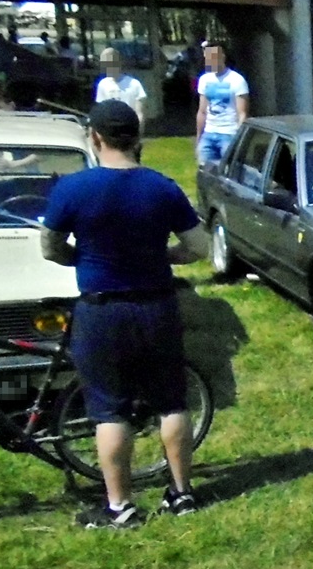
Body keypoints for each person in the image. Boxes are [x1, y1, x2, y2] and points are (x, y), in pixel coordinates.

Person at [39, 101, 211, 528]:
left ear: (94, 138)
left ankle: (120, 506)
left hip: (102, 309)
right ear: (139, 139)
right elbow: (197, 247)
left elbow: (50, 247)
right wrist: (164, 253)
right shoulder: (163, 187)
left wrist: (78, 258)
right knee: (171, 400)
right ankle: (182, 494)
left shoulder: (72, 190)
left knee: (109, 408)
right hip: (156, 305)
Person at [195, 41, 249, 166]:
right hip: (209, 133)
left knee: (230, 172)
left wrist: (238, 138)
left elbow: (242, 114)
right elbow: (202, 111)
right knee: (205, 172)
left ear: (222, 56)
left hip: (229, 134)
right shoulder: (204, 80)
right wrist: (199, 137)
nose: (210, 60)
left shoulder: (237, 80)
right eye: (207, 58)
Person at [94, 46, 148, 135]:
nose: (109, 66)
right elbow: (101, 111)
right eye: (106, 63)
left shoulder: (134, 84)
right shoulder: (102, 85)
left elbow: (140, 113)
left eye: (111, 62)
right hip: (110, 131)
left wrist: (138, 133)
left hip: (129, 128)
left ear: (118, 62)